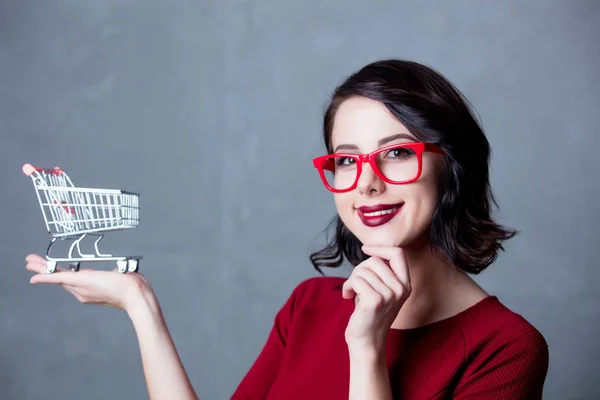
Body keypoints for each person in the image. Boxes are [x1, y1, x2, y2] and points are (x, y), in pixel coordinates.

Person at [26, 59, 549, 399]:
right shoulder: (309, 307)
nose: (365, 183)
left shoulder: (505, 348)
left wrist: (366, 349)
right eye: (346, 160)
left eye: (395, 153)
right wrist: (140, 305)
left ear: (451, 164)